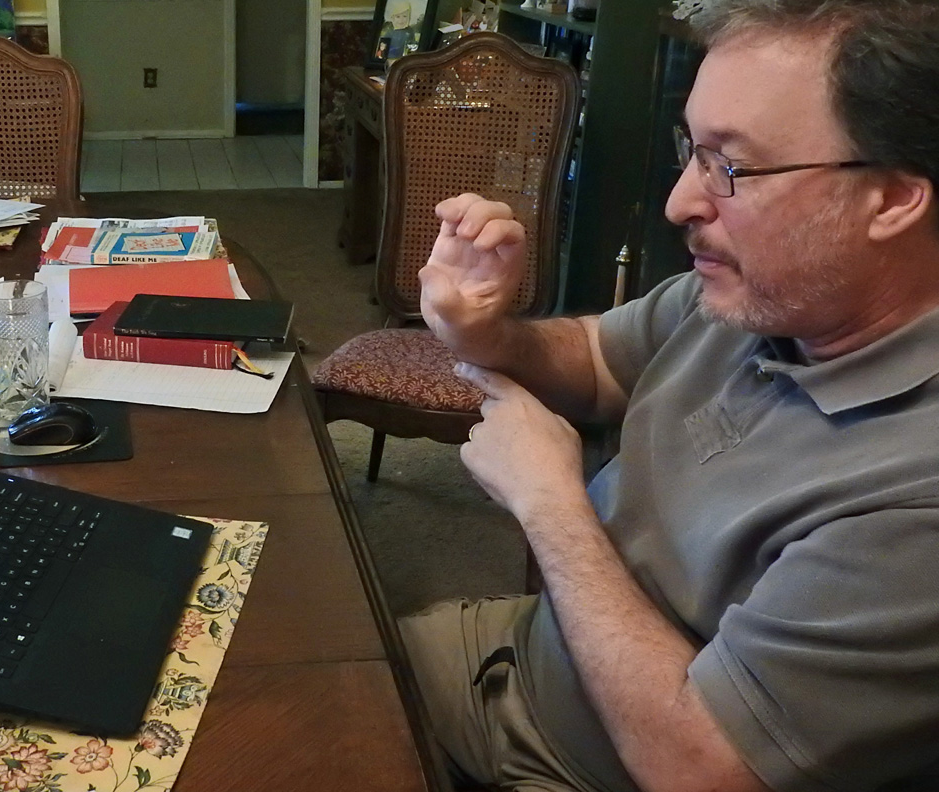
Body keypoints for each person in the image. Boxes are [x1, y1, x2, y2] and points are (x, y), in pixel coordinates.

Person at [400, 1, 939, 791]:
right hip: (525, 658)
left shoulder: (916, 507)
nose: (680, 203)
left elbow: (702, 768)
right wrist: (489, 333)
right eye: (690, 149)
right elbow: (595, 358)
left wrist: (550, 503)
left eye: (731, 166)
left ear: (891, 199)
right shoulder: (765, 295)